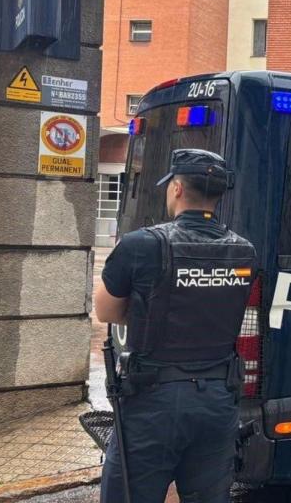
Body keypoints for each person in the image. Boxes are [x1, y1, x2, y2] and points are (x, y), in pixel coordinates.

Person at [95, 149, 257, 503]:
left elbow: (105, 311)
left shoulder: (141, 244)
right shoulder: (244, 251)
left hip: (153, 401)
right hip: (218, 400)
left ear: (177, 188)